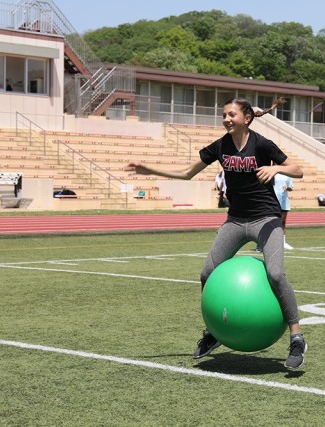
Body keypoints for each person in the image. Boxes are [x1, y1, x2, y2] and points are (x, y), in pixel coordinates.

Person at [125, 97, 308, 369]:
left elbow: (298, 170)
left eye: (231, 114)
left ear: (246, 118)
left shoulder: (262, 144)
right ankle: (213, 332)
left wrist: (275, 167)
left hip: (266, 219)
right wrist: (149, 169)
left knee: (275, 273)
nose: (226, 119)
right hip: (235, 220)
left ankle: (296, 339)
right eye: (224, 114)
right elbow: (188, 173)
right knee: (206, 273)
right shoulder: (220, 146)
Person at [274, 172, 294, 250]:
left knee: (282, 222)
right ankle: (261, 244)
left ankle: (283, 242)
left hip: (283, 200)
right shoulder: (272, 173)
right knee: (269, 222)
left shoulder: (287, 174)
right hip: (273, 200)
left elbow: (291, 187)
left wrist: (287, 188)